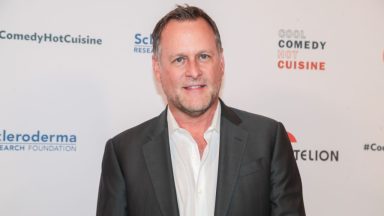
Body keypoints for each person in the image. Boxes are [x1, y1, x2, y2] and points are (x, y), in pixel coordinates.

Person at [96, 5, 305, 216]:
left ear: (221, 63)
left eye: (203, 56)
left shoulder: (268, 140)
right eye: (179, 59)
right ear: (157, 69)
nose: (194, 71)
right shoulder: (124, 154)